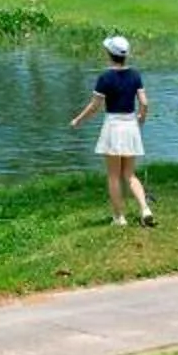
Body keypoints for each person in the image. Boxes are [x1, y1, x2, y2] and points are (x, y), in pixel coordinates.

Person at [70, 34, 154, 227]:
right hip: (130, 125)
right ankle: (145, 209)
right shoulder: (135, 75)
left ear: (109, 54)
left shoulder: (105, 77)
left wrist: (78, 120)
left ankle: (119, 217)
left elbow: (94, 106)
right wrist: (141, 117)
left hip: (114, 127)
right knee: (130, 174)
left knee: (114, 175)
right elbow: (144, 103)